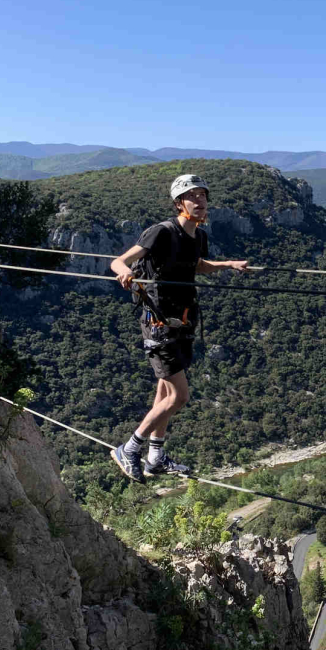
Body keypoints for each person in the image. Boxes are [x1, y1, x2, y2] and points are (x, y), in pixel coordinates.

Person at [108, 174, 250, 482]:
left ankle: (155, 457)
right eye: (193, 196)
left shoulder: (198, 236)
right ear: (179, 203)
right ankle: (130, 448)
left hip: (182, 324)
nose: (200, 201)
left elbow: (197, 264)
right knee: (179, 396)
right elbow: (119, 261)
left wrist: (227, 265)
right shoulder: (161, 232)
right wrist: (124, 274)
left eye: (203, 196)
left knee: (164, 390)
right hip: (158, 326)